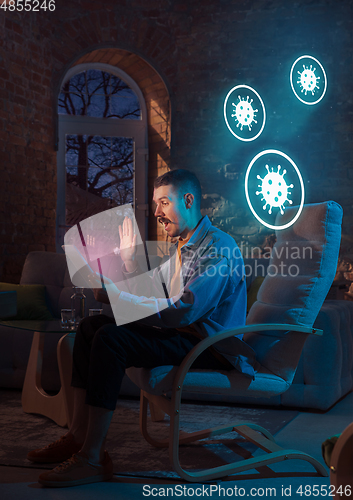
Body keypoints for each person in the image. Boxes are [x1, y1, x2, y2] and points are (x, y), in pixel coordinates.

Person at [28, 169, 256, 488]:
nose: (157, 213)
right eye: (155, 204)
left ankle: (92, 457)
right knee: (92, 326)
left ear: (189, 200)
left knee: (111, 338)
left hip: (211, 347)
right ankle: (78, 436)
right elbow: (154, 290)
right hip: (185, 338)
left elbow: (183, 311)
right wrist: (129, 263)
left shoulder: (219, 247)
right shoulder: (185, 246)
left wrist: (118, 297)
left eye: (164, 202)